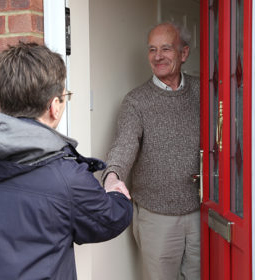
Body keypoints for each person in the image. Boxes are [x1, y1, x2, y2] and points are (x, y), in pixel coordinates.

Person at [0, 42, 132, 280]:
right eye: (65, 96)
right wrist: (116, 193)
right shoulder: (67, 177)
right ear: (54, 106)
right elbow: (109, 219)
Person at [102, 22, 200, 280]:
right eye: (152, 49)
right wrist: (112, 176)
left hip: (203, 212)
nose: (158, 56)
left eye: (166, 48)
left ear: (184, 53)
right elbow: (124, 145)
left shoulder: (204, 92)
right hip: (157, 218)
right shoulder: (136, 101)